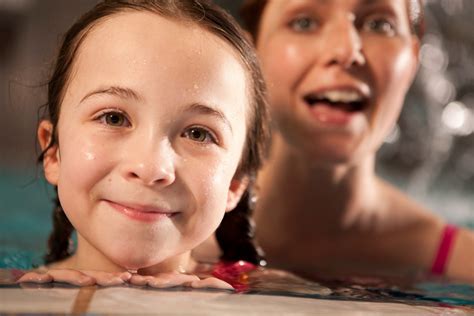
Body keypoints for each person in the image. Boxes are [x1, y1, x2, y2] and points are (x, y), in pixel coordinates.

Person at [201, 0, 474, 282]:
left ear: (413, 60)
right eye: (304, 22)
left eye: (379, 24)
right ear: (250, 56)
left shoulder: (466, 263)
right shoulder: (174, 239)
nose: (345, 51)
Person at [17, 0, 270, 289]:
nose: (150, 167)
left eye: (198, 134)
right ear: (53, 153)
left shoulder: (271, 294)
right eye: (113, 118)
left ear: (235, 183)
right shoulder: (13, 289)